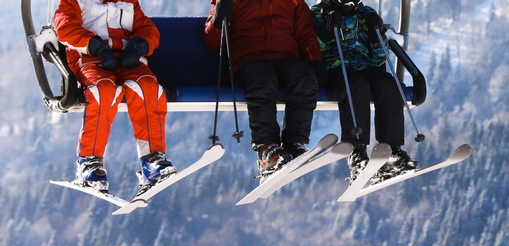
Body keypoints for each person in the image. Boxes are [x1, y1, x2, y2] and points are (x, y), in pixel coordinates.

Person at [54, 0, 176, 195]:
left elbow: (147, 28)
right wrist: (94, 46)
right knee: (102, 91)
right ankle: (89, 162)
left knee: (148, 88)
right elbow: (64, 26)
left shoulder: (129, 3)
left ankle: (152, 160)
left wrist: (139, 46)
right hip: (92, 60)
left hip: (128, 60)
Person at [204, 0, 326, 183]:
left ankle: (294, 143)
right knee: (263, 80)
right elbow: (212, 41)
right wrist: (218, 17)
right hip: (248, 61)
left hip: (285, 58)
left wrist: (314, 62)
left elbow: (305, 34)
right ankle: (266, 148)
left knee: (304, 78)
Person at [310, 0, 417, 184]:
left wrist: (376, 36)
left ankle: (391, 149)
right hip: (336, 65)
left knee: (389, 84)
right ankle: (356, 150)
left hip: (366, 64)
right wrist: (327, 32)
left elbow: (379, 55)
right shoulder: (319, 13)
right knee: (356, 85)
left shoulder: (365, 13)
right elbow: (313, 48)